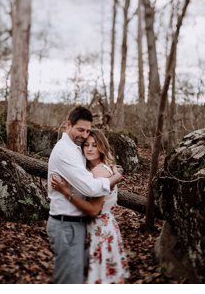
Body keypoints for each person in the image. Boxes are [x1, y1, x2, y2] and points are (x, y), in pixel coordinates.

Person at [46, 106, 125, 284]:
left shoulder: (77, 149)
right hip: (67, 224)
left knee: (80, 278)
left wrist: (113, 174)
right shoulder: (66, 151)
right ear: (68, 125)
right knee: (70, 280)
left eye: (88, 131)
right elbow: (90, 188)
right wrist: (115, 178)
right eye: (80, 130)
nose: (84, 135)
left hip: (84, 227)